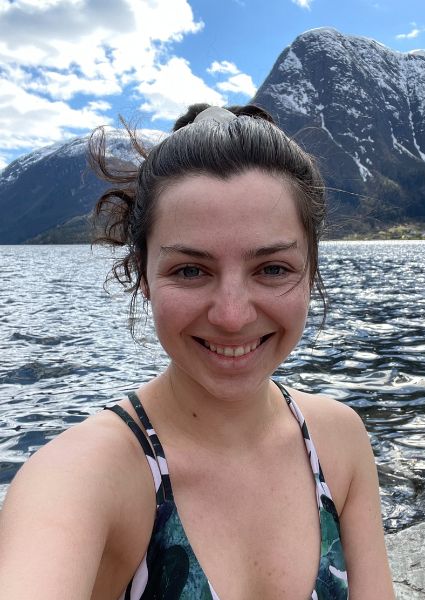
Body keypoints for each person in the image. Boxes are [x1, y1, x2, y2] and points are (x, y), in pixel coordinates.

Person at [0, 104, 395, 599]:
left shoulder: (339, 440)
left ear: (310, 271)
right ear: (143, 275)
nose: (232, 316)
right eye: (190, 270)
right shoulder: (82, 477)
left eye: (272, 268)